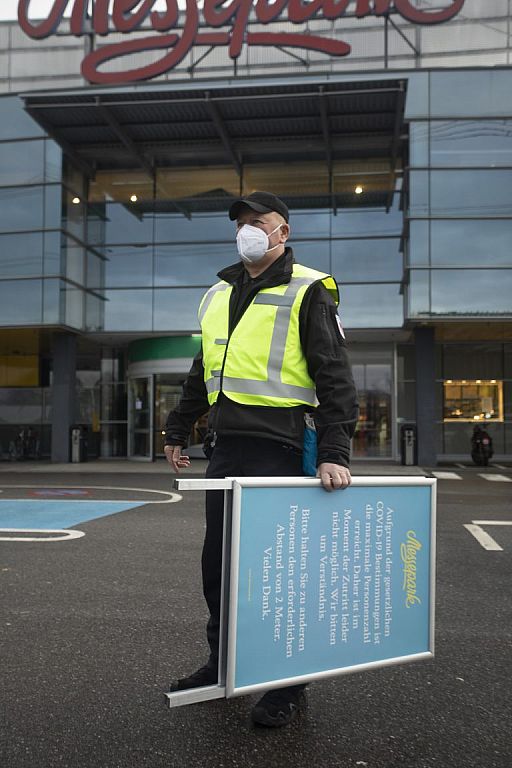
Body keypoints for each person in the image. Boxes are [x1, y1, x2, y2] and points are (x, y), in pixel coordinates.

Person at [164, 191, 358, 727]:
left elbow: (335, 377)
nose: (248, 229)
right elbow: (203, 369)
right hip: (226, 449)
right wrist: (179, 427)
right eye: (241, 223)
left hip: (283, 450)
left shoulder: (309, 288)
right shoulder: (217, 294)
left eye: (260, 222)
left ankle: (284, 684)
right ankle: (220, 663)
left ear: (283, 233)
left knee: (277, 574)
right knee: (220, 567)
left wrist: (335, 452)